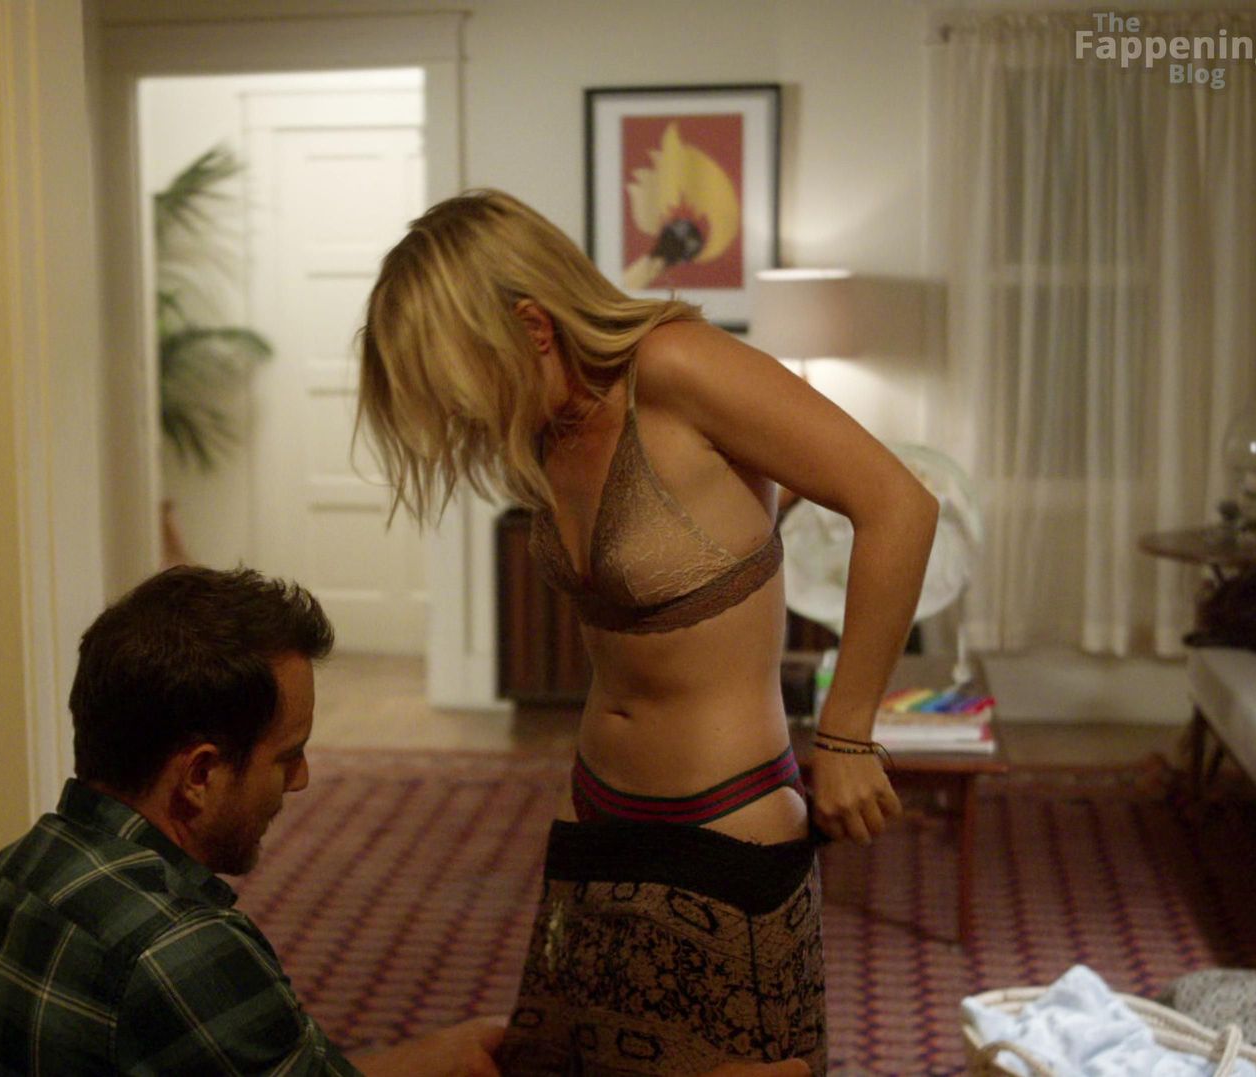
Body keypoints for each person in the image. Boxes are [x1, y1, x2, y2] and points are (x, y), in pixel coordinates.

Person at [356, 190, 938, 1076]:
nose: (466, 414)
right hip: (592, 813)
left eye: (466, 381)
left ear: (534, 326)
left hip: (727, 820)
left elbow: (898, 503)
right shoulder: (547, 423)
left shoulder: (676, 366)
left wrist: (849, 730)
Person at [0, 564, 811, 1077]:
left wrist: (436, 1057)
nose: (304, 779)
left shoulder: (18, 871)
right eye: (285, 756)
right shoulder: (178, 948)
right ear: (199, 774)